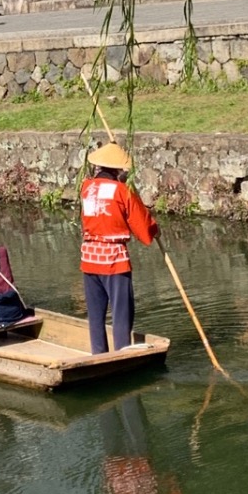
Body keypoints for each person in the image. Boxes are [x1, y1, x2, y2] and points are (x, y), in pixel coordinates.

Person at [80, 142, 159, 355]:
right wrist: (153, 230)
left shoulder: (86, 187)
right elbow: (142, 226)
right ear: (118, 170)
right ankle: (122, 352)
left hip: (89, 257)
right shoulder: (123, 191)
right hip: (113, 259)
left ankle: (99, 353)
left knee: (96, 314)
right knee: (121, 312)